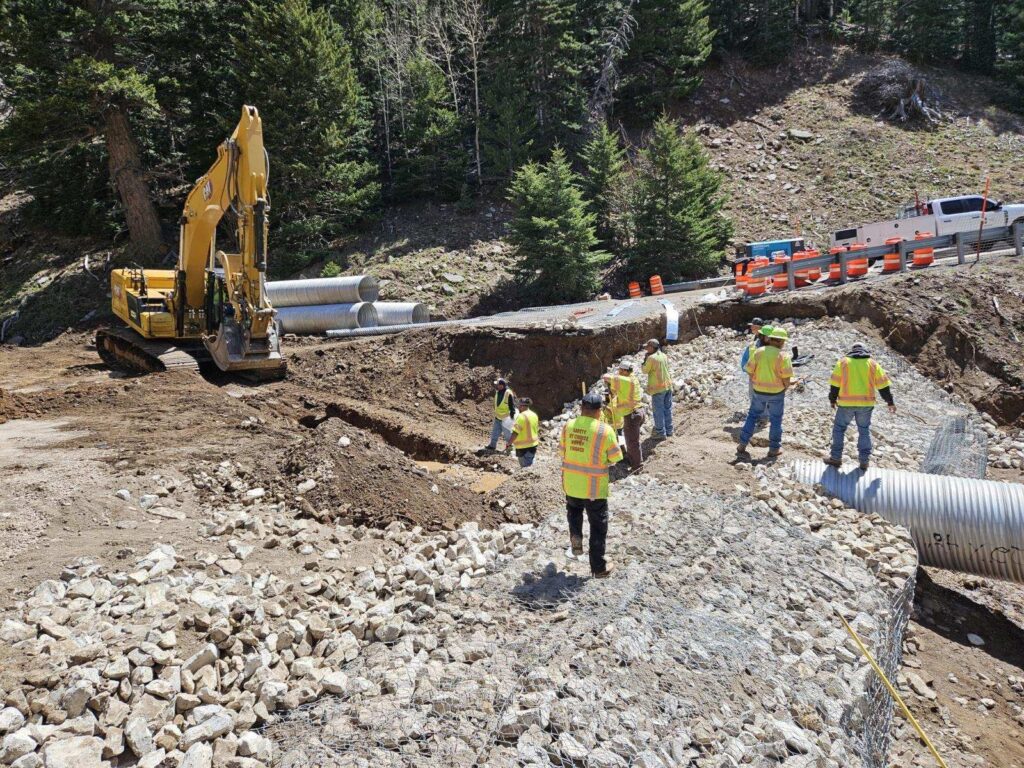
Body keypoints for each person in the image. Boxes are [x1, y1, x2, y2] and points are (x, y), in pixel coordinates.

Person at [560, 392, 623, 578]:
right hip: (593, 488)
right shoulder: (604, 430)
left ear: (582, 408)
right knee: (597, 526)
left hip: (571, 484)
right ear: (599, 411)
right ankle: (598, 568)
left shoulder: (568, 426)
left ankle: (576, 538)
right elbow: (616, 457)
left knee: (574, 512)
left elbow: (562, 452)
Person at [825, 343, 895, 471]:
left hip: (846, 404)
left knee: (839, 429)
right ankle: (864, 461)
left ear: (852, 350)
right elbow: (883, 386)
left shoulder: (843, 363)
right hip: (866, 404)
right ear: (864, 350)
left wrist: (832, 399)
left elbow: (835, 384)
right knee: (864, 430)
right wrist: (890, 402)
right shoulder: (873, 364)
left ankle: (835, 458)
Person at [737, 326, 793, 459]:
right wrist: (785, 388)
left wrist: (756, 382)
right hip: (776, 393)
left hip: (758, 391)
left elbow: (749, 370)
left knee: (752, 416)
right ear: (780, 341)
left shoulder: (759, 352)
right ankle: (774, 449)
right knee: (776, 420)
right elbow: (786, 378)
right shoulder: (783, 356)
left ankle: (742, 444)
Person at [603, 361, 644, 471]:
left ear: (625, 371)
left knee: (629, 442)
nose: (619, 372)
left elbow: (606, 376)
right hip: (626, 420)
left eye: (620, 370)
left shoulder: (625, 382)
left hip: (625, 421)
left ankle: (635, 464)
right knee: (627, 440)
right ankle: (626, 457)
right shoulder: (631, 380)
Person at [642, 339, 673, 438]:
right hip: (668, 386)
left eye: (647, 347)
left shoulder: (651, 358)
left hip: (658, 388)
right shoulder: (663, 355)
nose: (646, 349)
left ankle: (660, 432)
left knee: (658, 410)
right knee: (667, 409)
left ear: (652, 347)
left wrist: (644, 361)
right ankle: (669, 430)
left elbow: (644, 371)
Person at [486, 378, 516, 452]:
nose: (496, 385)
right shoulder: (498, 392)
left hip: (506, 419)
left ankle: (509, 449)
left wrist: (511, 419)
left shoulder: (508, 393)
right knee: (495, 433)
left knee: (507, 435)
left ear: (502, 385)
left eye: (498, 384)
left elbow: (512, 407)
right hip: (498, 417)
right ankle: (492, 446)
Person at [510, 397, 540, 468]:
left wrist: (509, 443)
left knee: (525, 468)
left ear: (522, 406)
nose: (519, 407)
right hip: (533, 445)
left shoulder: (521, 417)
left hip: (523, 447)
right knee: (530, 466)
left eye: (519, 406)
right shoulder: (534, 415)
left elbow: (515, 432)